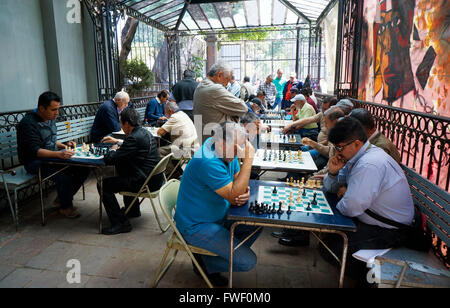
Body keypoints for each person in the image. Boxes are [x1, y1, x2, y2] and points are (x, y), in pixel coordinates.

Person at [321, 116, 414, 279]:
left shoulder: (369, 164)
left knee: (330, 246)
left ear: (357, 143)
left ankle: (368, 281)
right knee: (329, 236)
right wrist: (333, 172)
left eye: (340, 148)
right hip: (374, 221)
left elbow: (351, 207)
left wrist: (346, 196)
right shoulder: (358, 157)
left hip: (391, 231)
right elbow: (331, 188)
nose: (337, 152)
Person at [174, 122, 261, 286]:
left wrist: (244, 191)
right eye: (236, 148)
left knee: (257, 223)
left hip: (220, 215)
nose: (239, 153)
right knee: (248, 261)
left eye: (241, 147)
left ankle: (211, 256)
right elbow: (234, 193)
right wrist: (248, 160)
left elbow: (237, 184)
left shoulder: (226, 151)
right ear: (221, 143)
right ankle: (204, 264)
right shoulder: (208, 161)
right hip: (196, 226)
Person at [17, 91, 90, 218]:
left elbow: (49, 140)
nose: (57, 113)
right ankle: (65, 207)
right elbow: (35, 151)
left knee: (84, 168)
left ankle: (62, 200)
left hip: (52, 157)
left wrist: (64, 145)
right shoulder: (28, 124)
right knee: (64, 175)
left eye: (58, 109)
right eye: (53, 109)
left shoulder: (50, 118)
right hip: (34, 162)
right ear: (41, 108)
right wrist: (59, 154)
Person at [99, 107, 163, 235]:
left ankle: (120, 223)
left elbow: (111, 159)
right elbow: (133, 147)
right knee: (125, 170)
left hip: (145, 182)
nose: (121, 127)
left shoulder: (133, 138)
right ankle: (132, 210)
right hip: (154, 179)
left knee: (103, 185)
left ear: (127, 123)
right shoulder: (145, 132)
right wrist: (119, 142)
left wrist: (112, 149)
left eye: (121, 123)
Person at [194, 61, 248, 143]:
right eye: (227, 80)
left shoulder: (201, 85)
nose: (227, 84)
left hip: (206, 137)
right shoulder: (214, 89)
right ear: (219, 75)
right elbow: (243, 107)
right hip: (218, 141)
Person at [157, 101, 200, 178]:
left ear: (170, 111)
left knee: (159, 151)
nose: (166, 116)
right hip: (195, 147)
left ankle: (168, 173)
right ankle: (176, 171)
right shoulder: (183, 114)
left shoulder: (174, 117)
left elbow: (160, 132)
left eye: (166, 113)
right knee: (170, 148)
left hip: (186, 150)